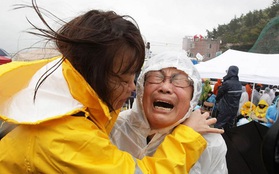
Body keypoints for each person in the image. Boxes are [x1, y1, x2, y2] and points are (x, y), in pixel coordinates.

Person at [0, 1, 215, 173]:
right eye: (122, 79)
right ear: (92, 77)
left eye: (178, 80)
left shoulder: (213, 143)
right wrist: (187, 138)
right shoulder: (67, 135)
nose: (131, 87)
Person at [110, 51, 227, 174]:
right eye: (156, 78)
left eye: (180, 81)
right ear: (141, 89)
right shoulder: (114, 127)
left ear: (192, 97)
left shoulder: (208, 143)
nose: (165, 88)